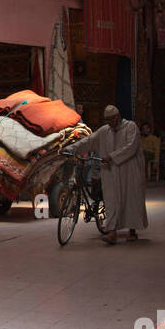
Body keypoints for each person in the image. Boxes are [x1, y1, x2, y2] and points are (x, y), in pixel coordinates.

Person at [68, 104, 147, 245]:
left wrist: (111, 156)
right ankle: (112, 233)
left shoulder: (131, 127)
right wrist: (70, 149)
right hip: (110, 172)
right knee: (111, 200)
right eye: (107, 120)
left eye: (111, 119)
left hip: (129, 171)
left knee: (131, 200)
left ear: (118, 117)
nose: (109, 123)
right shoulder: (105, 131)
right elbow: (88, 141)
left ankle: (132, 230)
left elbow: (131, 146)